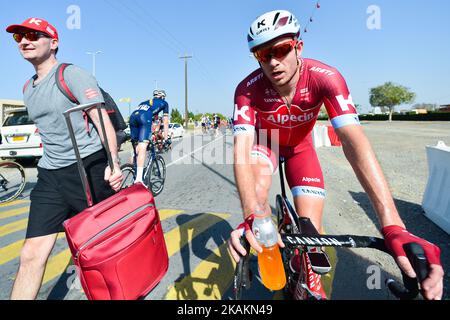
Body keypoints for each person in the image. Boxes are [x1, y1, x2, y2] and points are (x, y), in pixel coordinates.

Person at [228, 10, 443, 300]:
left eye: (280, 50)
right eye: (262, 55)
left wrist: (393, 225)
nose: (273, 61)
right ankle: (266, 235)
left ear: (298, 47)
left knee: (312, 230)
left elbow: (354, 142)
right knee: (257, 196)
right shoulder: (247, 90)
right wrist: (251, 213)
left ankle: (305, 266)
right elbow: (241, 150)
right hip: (267, 144)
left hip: (301, 149)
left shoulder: (325, 78)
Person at [6, 17, 123, 300]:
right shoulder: (27, 88)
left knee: (103, 252)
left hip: (88, 168)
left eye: (33, 35)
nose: (25, 41)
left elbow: (100, 120)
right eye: (19, 37)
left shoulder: (72, 74)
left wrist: (114, 164)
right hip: (50, 175)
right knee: (31, 254)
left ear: (54, 43)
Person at [129, 89, 169, 183]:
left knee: (136, 150)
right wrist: (166, 138)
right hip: (144, 117)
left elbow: (151, 120)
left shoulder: (145, 102)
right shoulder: (164, 103)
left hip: (133, 117)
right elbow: (165, 122)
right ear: (162, 97)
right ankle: (139, 180)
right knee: (143, 147)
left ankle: (132, 171)